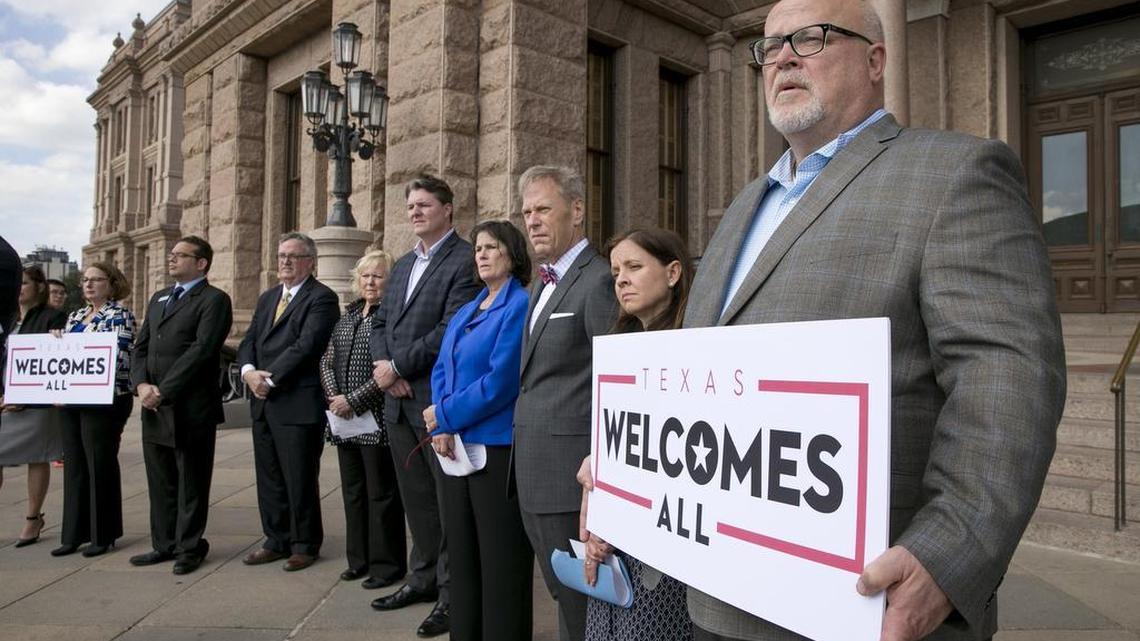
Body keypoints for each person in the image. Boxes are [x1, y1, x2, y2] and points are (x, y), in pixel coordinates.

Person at [682, 1, 1066, 640]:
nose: (782, 56)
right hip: (717, 596)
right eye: (771, 45)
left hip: (867, 605)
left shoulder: (955, 171)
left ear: (876, 60)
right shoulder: (744, 205)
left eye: (811, 38)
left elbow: (1006, 378)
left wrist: (948, 553)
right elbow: (697, 371)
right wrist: (623, 472)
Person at [369, 174, 480, 638]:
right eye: (411, 205)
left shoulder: (465, 259)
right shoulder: (402, 264)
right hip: (397, 405)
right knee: (418, 503)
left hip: (435, 404)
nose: (415, 212)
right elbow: (380, 318)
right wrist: (381, 365)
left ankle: (453, 598)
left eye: (425, 204)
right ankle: (422, 579)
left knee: (447, 503)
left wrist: (397, 366)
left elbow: (450, 330)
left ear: (448, 209)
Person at [513, 165, 618, 641]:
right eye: (526, 212)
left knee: (582, 603)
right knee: (563, 595)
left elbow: (613, 382)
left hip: (569, 479)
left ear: (576, 210)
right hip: (532, 469)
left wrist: (601, 473)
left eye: (542, 209)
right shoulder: (541, 282)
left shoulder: (597, 280)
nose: (532, 221)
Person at [578, 229, 694, 641]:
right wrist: (595, 479)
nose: (621, 279)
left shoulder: (697, 352)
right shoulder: (619, 346)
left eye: (634, 266)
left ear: (673, 272)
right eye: (615, 271)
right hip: (613, 536)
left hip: (662, 543)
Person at [424, 220, 535, 641]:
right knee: (464, 557)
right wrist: (439, 421)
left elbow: (499, 382)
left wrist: (445, 417)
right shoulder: (469, 308)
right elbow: (441, 368)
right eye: (478, 249)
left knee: (500, 560)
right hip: (454, 448)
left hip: (494, 448)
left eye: (492, 247)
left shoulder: (518, 305)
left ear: (512, 254)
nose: (482, 254)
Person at [128, 236, 233, 575]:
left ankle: (190, 547)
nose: (171, 259)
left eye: (180, 255)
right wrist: (141, 384)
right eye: (171, 255)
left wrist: (164, 390)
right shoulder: (159, 298)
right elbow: (140, 347)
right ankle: (164, 544)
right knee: (160, 479)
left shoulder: (215, 300)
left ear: (201, 263)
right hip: (153, 405)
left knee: (191, 480)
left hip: (190, 407)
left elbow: (202, 351)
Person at [238, 232, 340, 572]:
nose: (285, 261)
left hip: (297, 403)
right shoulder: (268, 298)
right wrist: (249, 372)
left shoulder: (322, 298)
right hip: (263, 401)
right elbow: (250, 339)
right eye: (282, 255)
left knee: (298, 477)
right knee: (269, 476)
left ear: (310, 262)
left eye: (293, 256)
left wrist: (268, 379)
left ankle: (304, 543)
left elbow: (307, 345)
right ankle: (276, 539)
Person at [319, 249, 407, 590]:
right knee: (353, 493)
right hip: (343, 422)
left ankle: (387, 566)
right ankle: (359, 560)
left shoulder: (391, 317)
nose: (370, 281)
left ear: (390, 280)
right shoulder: (348, 316)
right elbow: (327, 360)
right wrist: (335, 398)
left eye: (378, 275)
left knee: (381, 495)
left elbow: (387, 370)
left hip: (376, 421)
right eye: (366, 275)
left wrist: (353, 401)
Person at [54, 261, 137, 558]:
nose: (88, 285)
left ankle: (103, 534)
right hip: (71, 399)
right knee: (75, 464)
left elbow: (119, 354)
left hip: (106, 399)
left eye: (96, 280)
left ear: (112, 284)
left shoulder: (120, 315)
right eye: (85, 280)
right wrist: (56, 344)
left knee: (98, 463)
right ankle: (73, 533)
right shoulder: (75, 315)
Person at [0, 265, 67, 547]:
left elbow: (51, 362)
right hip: (4, 398)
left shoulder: (53, 317)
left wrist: (23, 395)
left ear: (39, 287)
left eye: (25, 283)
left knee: (37, 457)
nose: (19, 288)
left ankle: (32, 517)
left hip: (35, 404)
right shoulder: (7, 317)